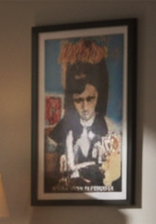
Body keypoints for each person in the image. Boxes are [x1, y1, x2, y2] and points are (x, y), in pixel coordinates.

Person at [48, 41, 121, 192]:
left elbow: (115, 175)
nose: (85, 107)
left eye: (90, 99)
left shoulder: (110, 129)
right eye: (78, 100)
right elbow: (47, 172)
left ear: (98, 97)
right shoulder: (60, 130)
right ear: (71, 100)